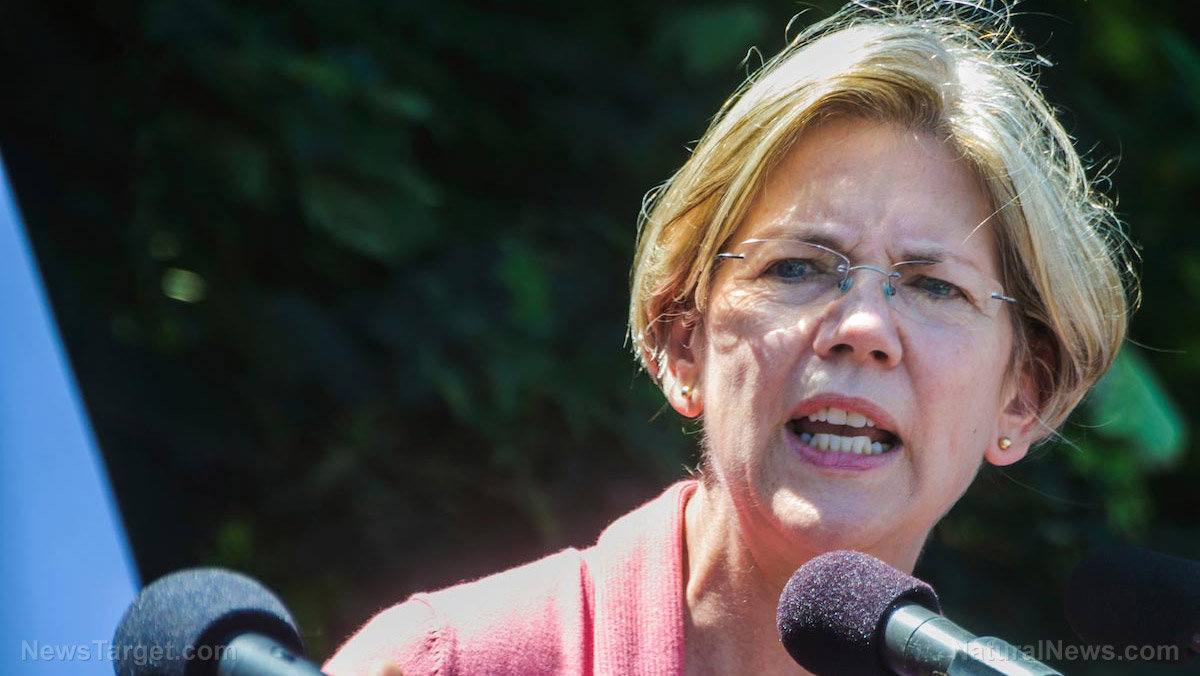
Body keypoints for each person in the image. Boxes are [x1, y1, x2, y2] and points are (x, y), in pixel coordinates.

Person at [323, 2, 1133, 674]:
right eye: (798, 268)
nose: (862, 328)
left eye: (933, 286)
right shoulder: (444, 662)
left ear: (1023, 397)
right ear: (683, 341)